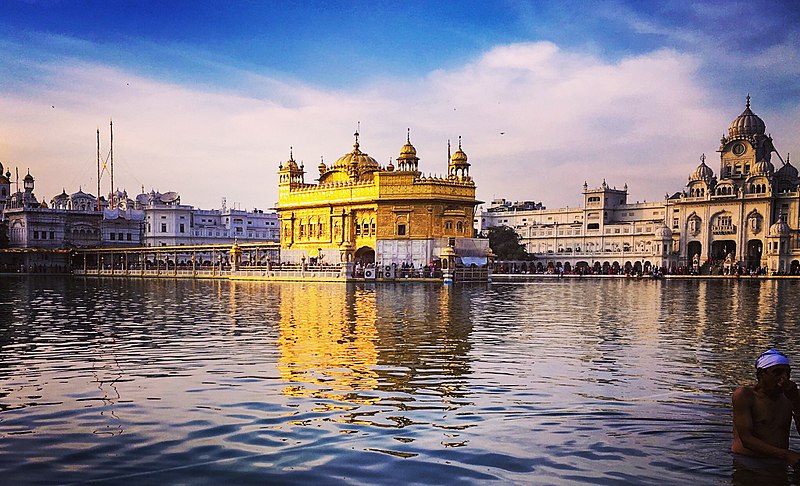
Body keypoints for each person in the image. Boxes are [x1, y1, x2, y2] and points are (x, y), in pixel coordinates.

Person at [732, 349, 800, 466]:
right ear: (760, 375)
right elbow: (746, 439)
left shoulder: (790, 396)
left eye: (787, 373)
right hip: (747, 462)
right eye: (777, 372)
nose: (784, 378)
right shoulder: (745, 395)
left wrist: (796, 402)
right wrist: (786, 455)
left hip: (779, 461)